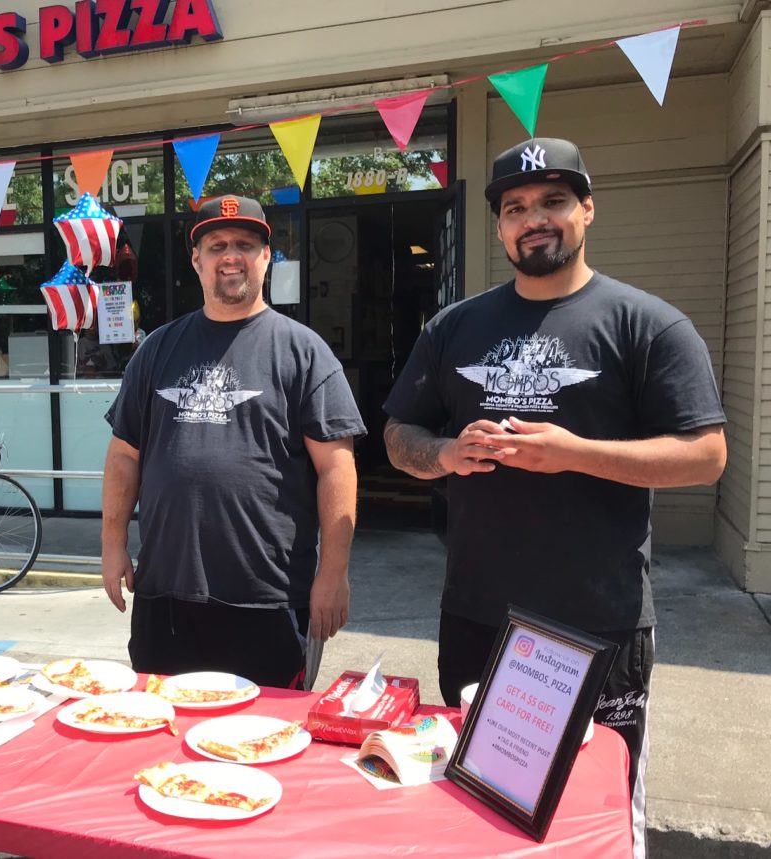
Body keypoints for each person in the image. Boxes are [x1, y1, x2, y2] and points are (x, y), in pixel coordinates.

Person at [382, 137, 726, 858]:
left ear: (587, 210)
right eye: (515, 208)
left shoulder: (647, 324)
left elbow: (704, 455)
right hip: (478, 617)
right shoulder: (455, 327)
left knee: (597, 812)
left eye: (553, 202)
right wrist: (444, 453)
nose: (533, 218)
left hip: (597, 626)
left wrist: (572, 454)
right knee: (477, 807)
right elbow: (396, 434)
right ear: (501, 226)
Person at [102, 194, 366, 689]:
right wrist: (112, 544)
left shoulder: (303, 351)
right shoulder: (157, 349)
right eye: (216, 244)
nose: (231, 255)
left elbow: (337, 467)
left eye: (245, 244)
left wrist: (333, 572)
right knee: (159, 734)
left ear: (266, 256)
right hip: (166, 594)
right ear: (196, 259)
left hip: (267, 596)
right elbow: (123, 456)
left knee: (266, 741)